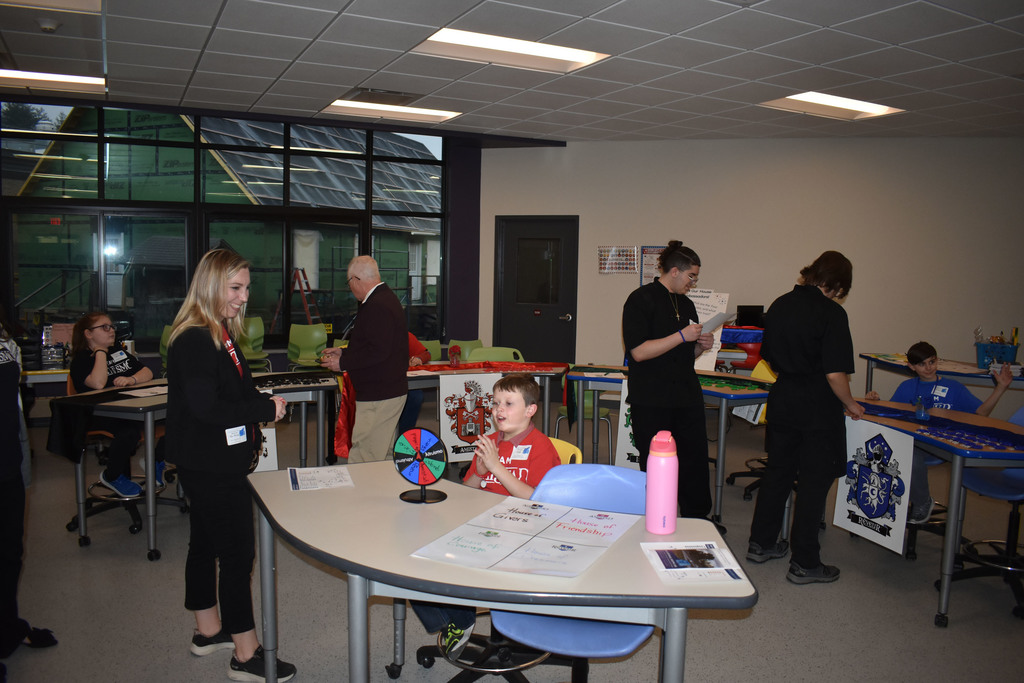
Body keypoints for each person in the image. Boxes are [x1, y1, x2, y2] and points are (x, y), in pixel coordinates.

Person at [165, 249, 295, 683]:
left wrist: (257, 402)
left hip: (208, 460)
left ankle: (208, 631)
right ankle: (245, 653)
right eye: (235, 288)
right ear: (210, 286)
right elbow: (207, 407)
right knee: (238, 554)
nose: (243, 298)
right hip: (210, 464)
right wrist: (263, 407)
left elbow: (227, 391)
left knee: (204, 544)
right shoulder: (196, 339)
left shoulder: (218, 333)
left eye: (246, 288)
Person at [411, 373, 561, 658]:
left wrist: (496, 466)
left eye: (508, 403)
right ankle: (458, 618)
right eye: (494, 403)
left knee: (454, 561)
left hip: (523, 535)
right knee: (413, 557)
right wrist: (480, 472)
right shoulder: (489, 441)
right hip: (482, 526)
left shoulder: (541, 447)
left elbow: (540, 503)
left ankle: (461, 613)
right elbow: (467, 493)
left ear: (531, 410)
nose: (498, 410)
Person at [747, 251, 865, 585]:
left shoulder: (780, 304)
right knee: (814, 483)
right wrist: (852, 404)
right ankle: (805, 562)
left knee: (778, 473)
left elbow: (768, 355)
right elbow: (834, 374)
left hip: (783, 400)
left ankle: (761, 544)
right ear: (837, 285)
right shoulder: (832, 314)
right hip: (817, 408)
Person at [865, 341, 1013, 522]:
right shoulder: (907, 387)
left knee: (911, 454)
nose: (928, 368)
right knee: (888, 450)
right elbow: (892, 416)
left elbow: (981, 413)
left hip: (943, 444)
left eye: (932, 362)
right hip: (915, 440)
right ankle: (888, 501)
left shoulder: (954, 388)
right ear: (911, 366)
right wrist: (875, 401)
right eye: (921, 364)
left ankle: (922, 502)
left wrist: (1001, 388)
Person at [621, 241, 714, 520]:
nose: (693, 283)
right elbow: (638, 352)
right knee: (656, 463)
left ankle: (697, 519)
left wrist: (700, 346)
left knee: (694, 460)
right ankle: (656, 517)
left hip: (685, 395)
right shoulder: (640, 299)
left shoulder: (686, 304)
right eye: (691, 277)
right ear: (674, 271)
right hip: (652, 398)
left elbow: (684, 354)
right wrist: (681, 336)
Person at [1, 306, 57, 674]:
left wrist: (22, 463)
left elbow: (14, 407)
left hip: (7, 459)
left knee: (9, 552)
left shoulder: (6, 342)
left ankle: (7, 629)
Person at [320, 255, 408, 462]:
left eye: (349, 282)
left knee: (364, 455)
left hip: (379, 393)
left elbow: (378, 351)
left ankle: (361, 494)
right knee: (382, 452)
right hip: (387, 390)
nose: (350, 289)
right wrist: (345, 352)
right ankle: (381, 493)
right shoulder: (384, 299)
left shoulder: (377, 305)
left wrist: (342, 363)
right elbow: (373, 344)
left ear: (356, 280)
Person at [69, 312, 160, 497]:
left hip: (130, 410)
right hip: (98, 414)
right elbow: (98, 383)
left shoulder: (118, 352)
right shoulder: (81, 360)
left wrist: (132, 379)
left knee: (176, 418)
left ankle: (157, 462)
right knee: (129, 433)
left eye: (111, 327)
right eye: (104, 327)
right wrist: (100, 352)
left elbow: (147, 372)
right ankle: (112, 476)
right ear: (88, 334)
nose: (111, 331)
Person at [397, 332, 432, 435]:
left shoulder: (405, 335)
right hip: (380, 382)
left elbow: (426, 354)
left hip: (402, 379)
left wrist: (419, 359)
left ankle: (405, 434)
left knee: (416, 396)